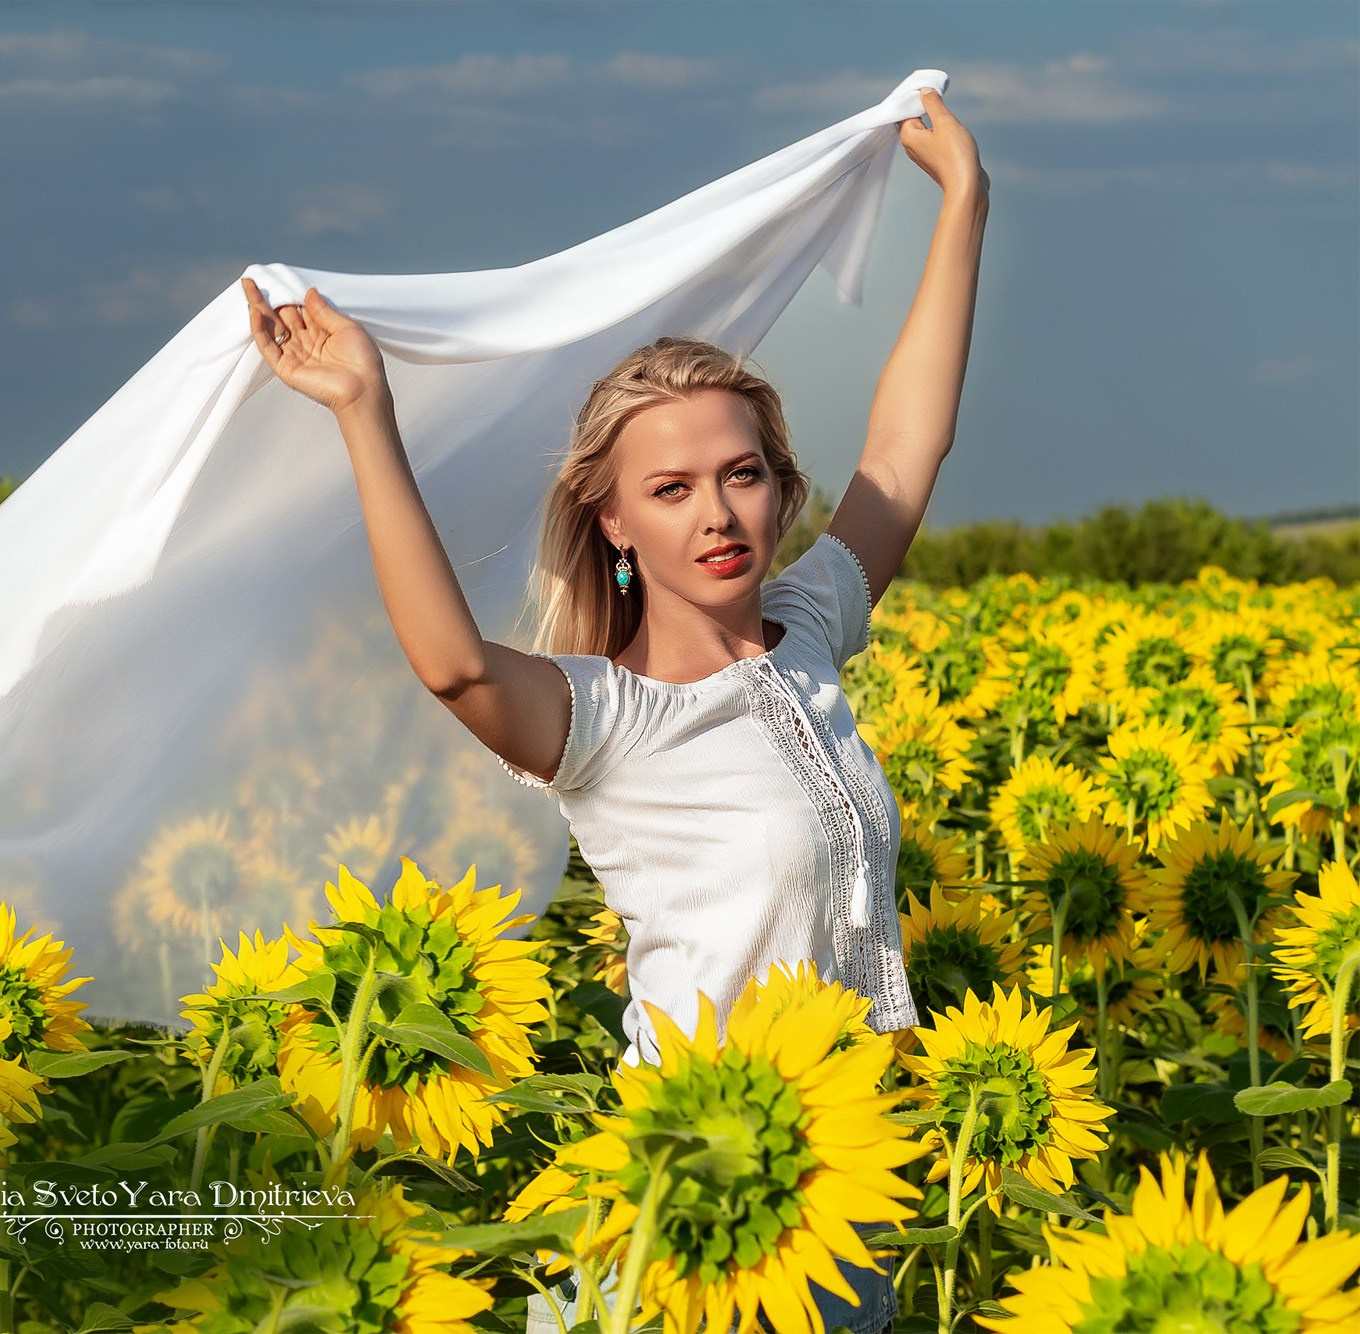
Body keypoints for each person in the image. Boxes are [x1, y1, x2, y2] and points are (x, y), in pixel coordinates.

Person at [242, 86, 985, 1334]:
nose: (718, 512)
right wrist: (364, 411)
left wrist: (962, 202)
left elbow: (905, 453)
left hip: (828, 1185)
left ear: (778, 488)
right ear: (614, 520)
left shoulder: (808, 628)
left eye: (741, 474)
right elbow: (454, 667)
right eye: (672, 487)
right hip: (678, 1204)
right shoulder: (609, 715)